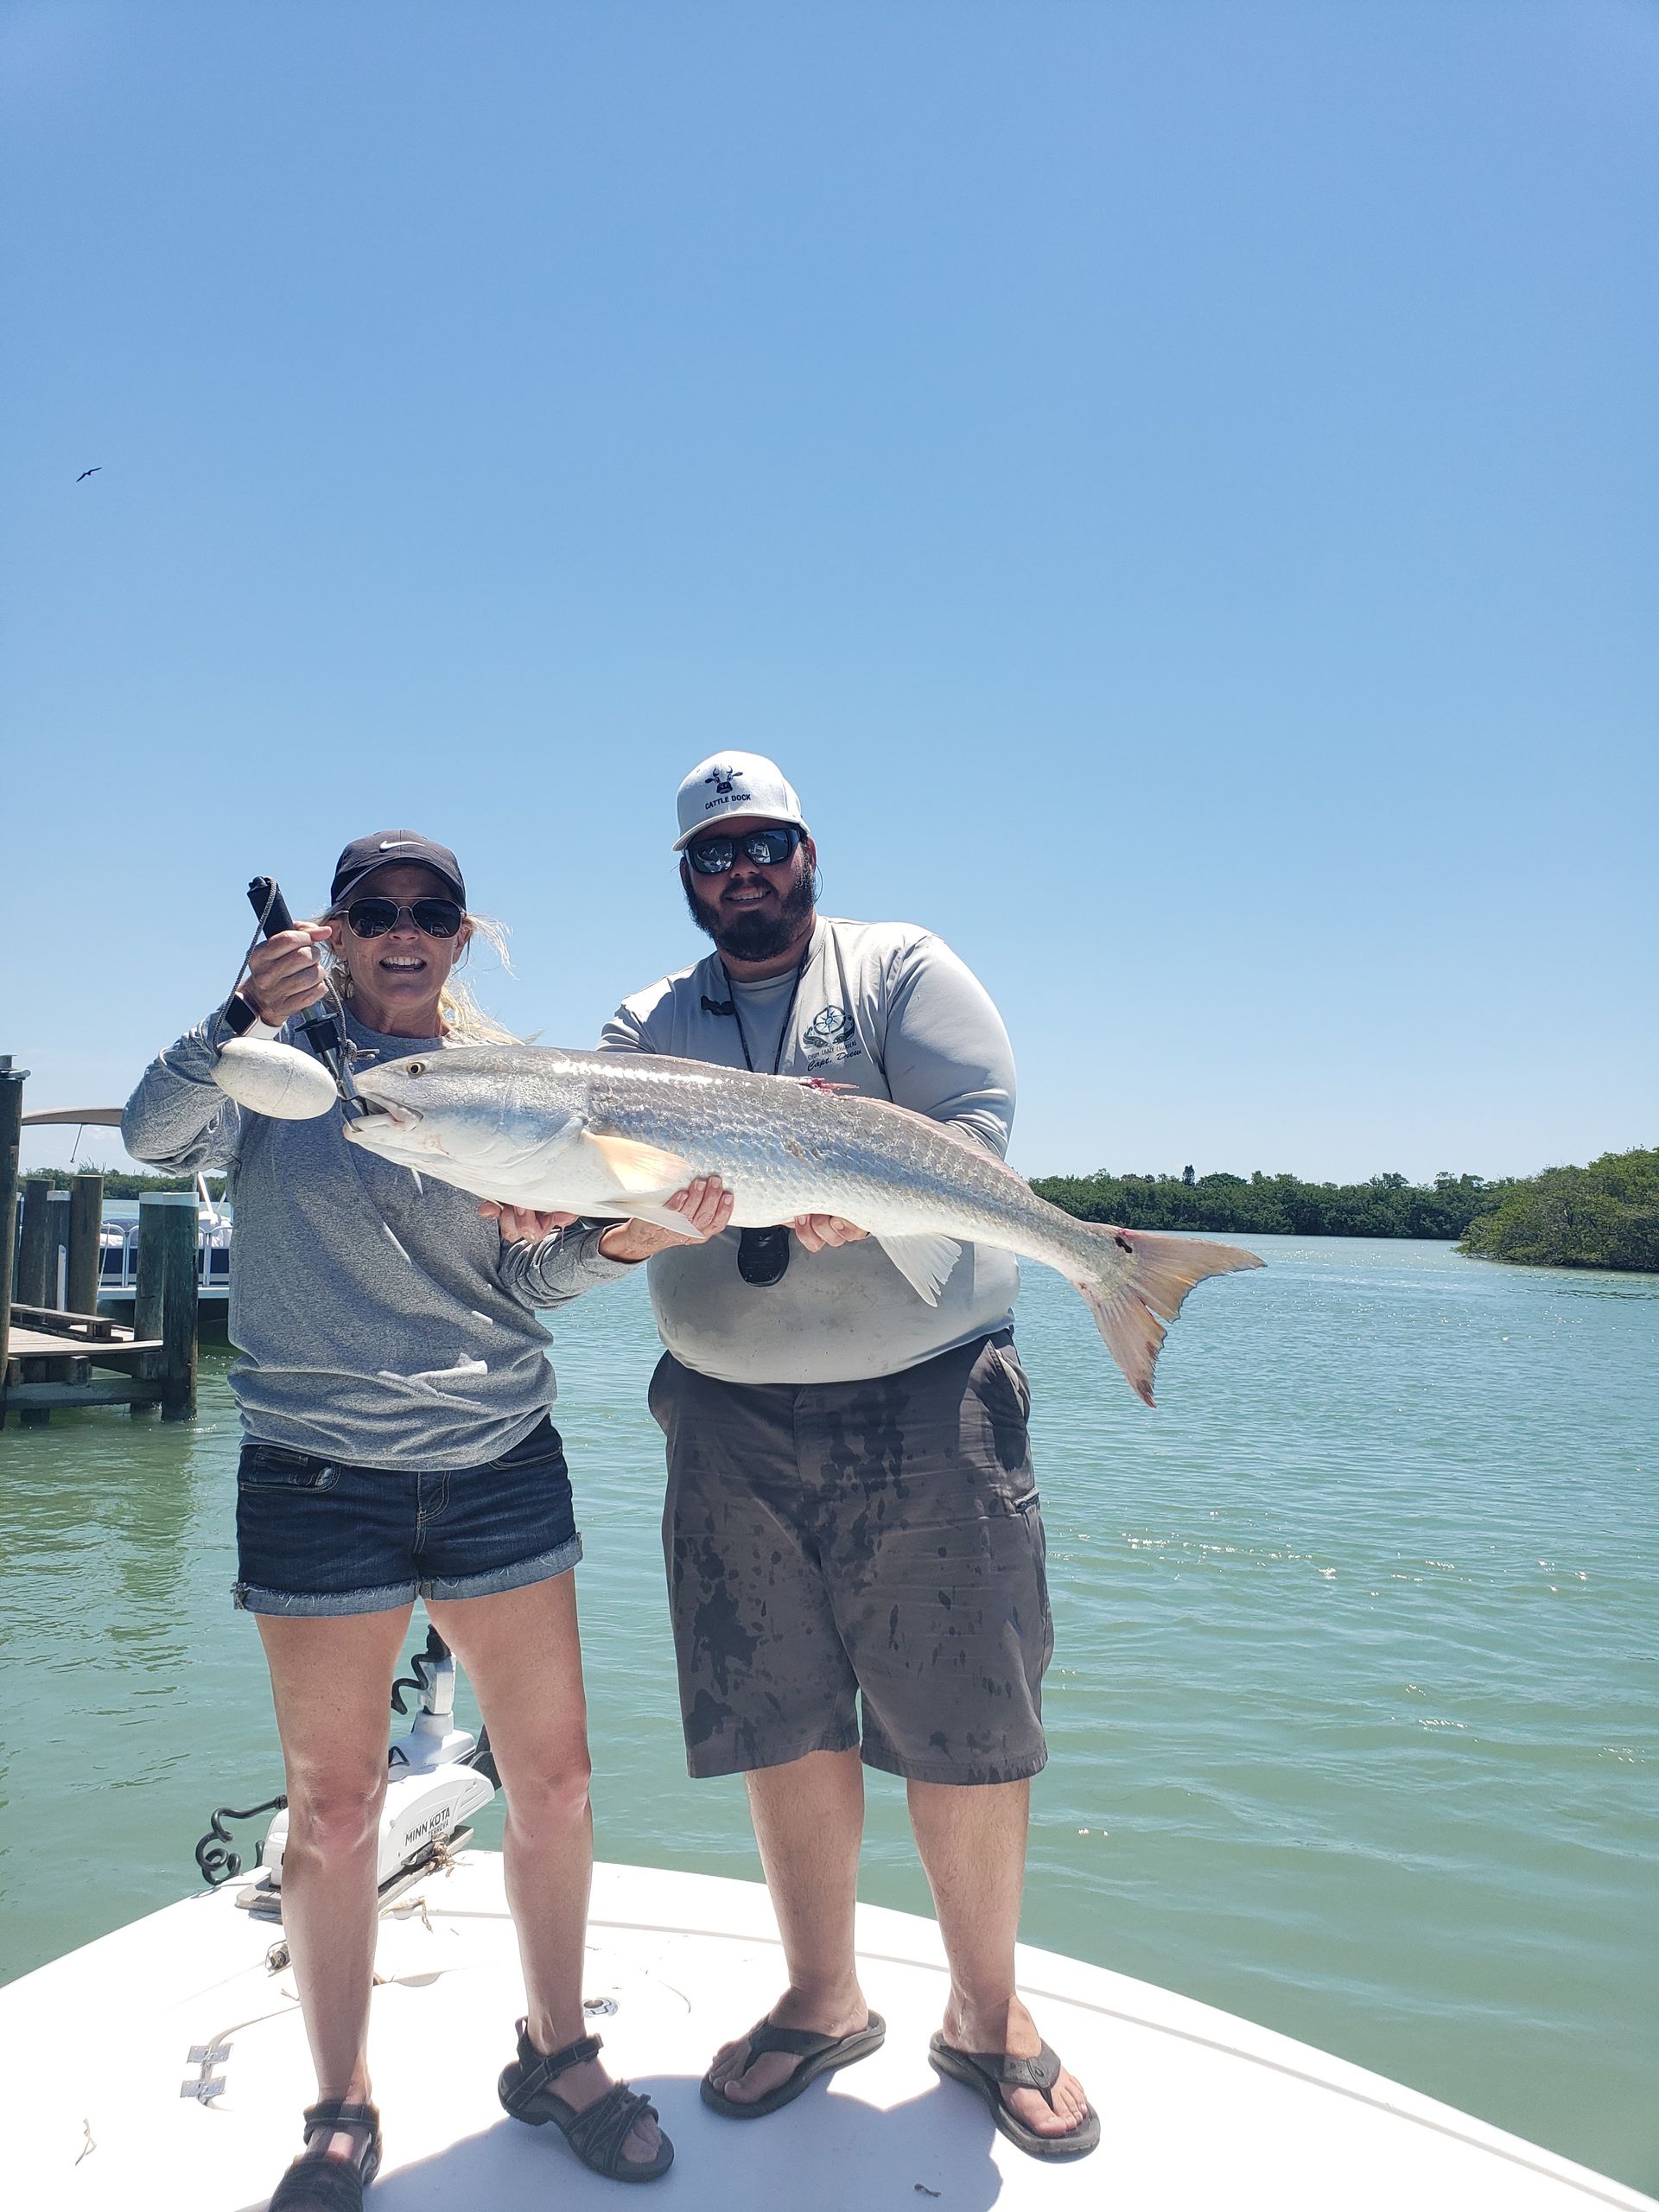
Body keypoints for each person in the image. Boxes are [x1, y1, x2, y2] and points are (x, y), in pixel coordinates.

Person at [124, 832, 729, 2206]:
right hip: (314, 1476)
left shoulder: (511, 1085)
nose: (405, 928)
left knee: (559, 1785)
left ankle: (558, 2049)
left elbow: (536, 1277)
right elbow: (150, 1138)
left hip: (496, 1460)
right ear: (336, 933)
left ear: (463, 937)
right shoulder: (273, 1070)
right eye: (376, 911)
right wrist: (236, 1016)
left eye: (431, 912)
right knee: (333, 1814)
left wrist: (639, 1236)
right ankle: (339, 2102)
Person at [598, 755, 1099, 2161]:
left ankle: (988, 2017)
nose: (740, 871)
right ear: (687, 878)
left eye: (763, 844)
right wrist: (647, 1224)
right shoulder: (642, 1025)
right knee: (778, 1710)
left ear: (808, 852)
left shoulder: (899, 970)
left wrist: (859, 1205)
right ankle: (824, 1999)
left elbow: (977, 1140)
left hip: (928, 1403)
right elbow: (599, 1217)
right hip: (724, 1415)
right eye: (712, 854)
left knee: (968, 1717)